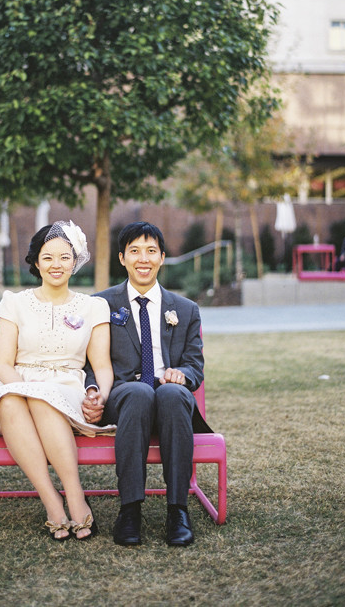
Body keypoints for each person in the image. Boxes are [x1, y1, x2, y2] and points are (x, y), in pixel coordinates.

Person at [0, 221, 115, 540]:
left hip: (66, 389)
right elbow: (3, 364)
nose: (56, 264)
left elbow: (101, 365)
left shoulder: (93, 307)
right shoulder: (15, 303)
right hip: (17, 386)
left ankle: (75, 496)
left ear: (75, 261)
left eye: (64, 257)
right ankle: (51, 501)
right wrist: (26, 390)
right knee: (10, 400)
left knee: (44, 399)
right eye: (47, 257)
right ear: (36, 262)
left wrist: (100, 394)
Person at [82, 221, 212, 547]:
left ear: (162, 257)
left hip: (170, 399)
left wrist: (182, 375)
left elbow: (194, 365)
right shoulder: (100, 304)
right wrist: (93, 391)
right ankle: (130, 510)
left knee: (172, 393)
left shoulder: (186, 309)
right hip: (124, 400)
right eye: (135, 251)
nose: (144, 259)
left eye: (151, 251)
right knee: (138, 392)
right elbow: (89, 363)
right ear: (122, 258)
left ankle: (178, 510)